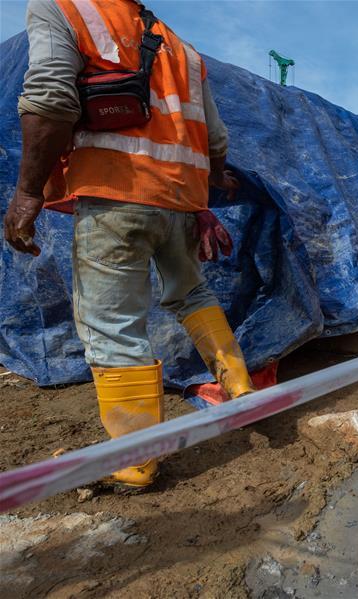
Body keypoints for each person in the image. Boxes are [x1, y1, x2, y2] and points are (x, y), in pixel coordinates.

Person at [3, 0, 256, 490]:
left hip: (115, 192)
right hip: (180, 198)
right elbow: (216, 137)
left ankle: (138, 458)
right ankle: (241, 389)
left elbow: (51, 99)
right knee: (192, 294)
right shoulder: (183, 48)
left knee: (112, 324)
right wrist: (209, 185)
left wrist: (29, 192)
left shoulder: (63, 8)